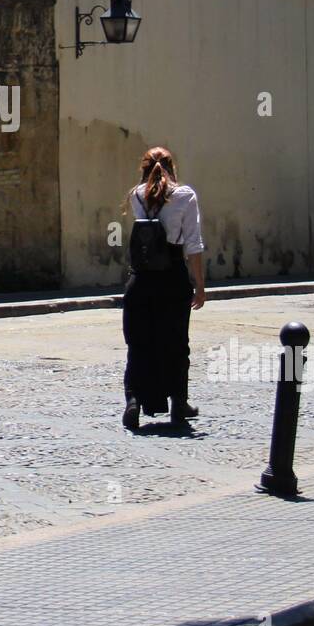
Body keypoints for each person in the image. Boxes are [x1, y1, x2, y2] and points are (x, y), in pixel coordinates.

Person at [121, 146, 206, 430]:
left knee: (140, 343)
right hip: (172, 278)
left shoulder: (136, 195)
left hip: (141, 279)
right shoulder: (185, 195)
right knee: (176, 343)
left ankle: (134, 400)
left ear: (143, 167)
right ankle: (178, 403)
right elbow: (193, 245)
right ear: (172, 167)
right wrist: (200, 286)